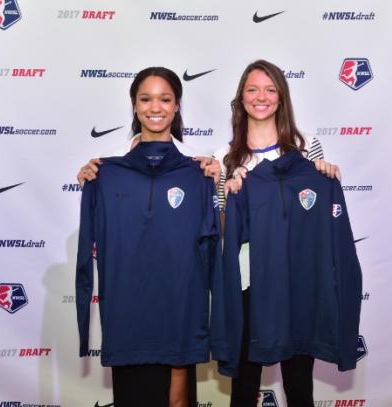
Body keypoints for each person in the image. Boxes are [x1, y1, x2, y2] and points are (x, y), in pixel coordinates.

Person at [76, 67, 221, 407]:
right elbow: (88, 250)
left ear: (176, 106)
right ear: (134, 105)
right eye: (146, 98)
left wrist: (219, 182)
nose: (155, 107)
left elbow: (217, 244)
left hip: (179, 311)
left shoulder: (200, 170)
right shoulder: (104, 170)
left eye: (165, 98)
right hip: (128, 314)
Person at [217, 60, 353, 407]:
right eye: (252, 89)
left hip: (298, 281)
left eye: (270, 89)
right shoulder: (224, 158)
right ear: (241, 98)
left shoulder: (308, 146)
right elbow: (220, 230)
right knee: (243, 385)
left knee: (299, 383)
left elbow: (319, 211)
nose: (261, 97)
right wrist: (229, 195)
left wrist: (324, 172)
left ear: (281, 97)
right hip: (250, 283)